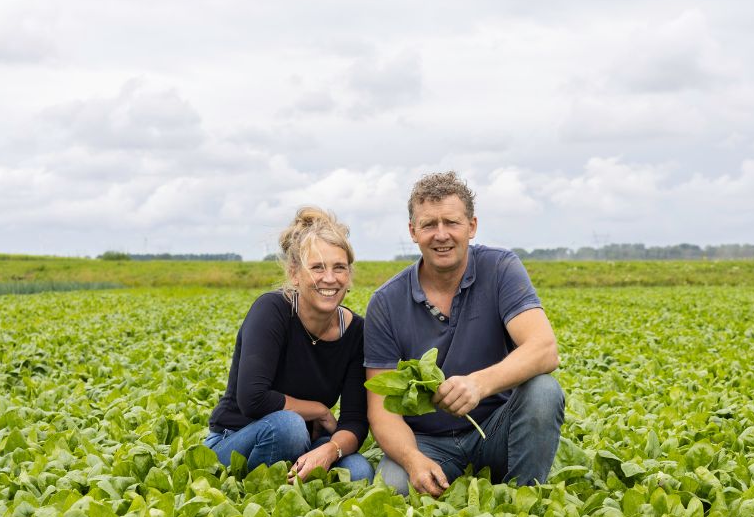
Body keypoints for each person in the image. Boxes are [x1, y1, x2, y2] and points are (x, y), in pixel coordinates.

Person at [365, 171, 565, 496]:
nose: (441, 235)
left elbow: (544, 349)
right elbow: (381, 408)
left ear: (471, 226)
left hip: (493, 430)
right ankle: (434, 473)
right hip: (427, 442)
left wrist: (478, 384)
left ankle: (527, 500)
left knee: (544, 391)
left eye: (452, 223)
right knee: (393, 488)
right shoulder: (386, 302)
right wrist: (413, 459)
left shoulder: (500, 268)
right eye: (429, 225)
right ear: (413, 232)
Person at [205, 207, 374, 482]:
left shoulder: (356, 332)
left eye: (339, 268)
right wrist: (319, 409)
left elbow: (354, 421)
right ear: (295, 273)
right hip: (235, 440)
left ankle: (294, 478)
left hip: (303, 445)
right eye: (317, 267)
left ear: (349, 275)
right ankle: (259, 492)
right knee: (289, 427)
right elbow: (253, 399)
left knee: (358, 472)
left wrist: (330, 450)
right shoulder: (272, 310)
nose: (329, 279)